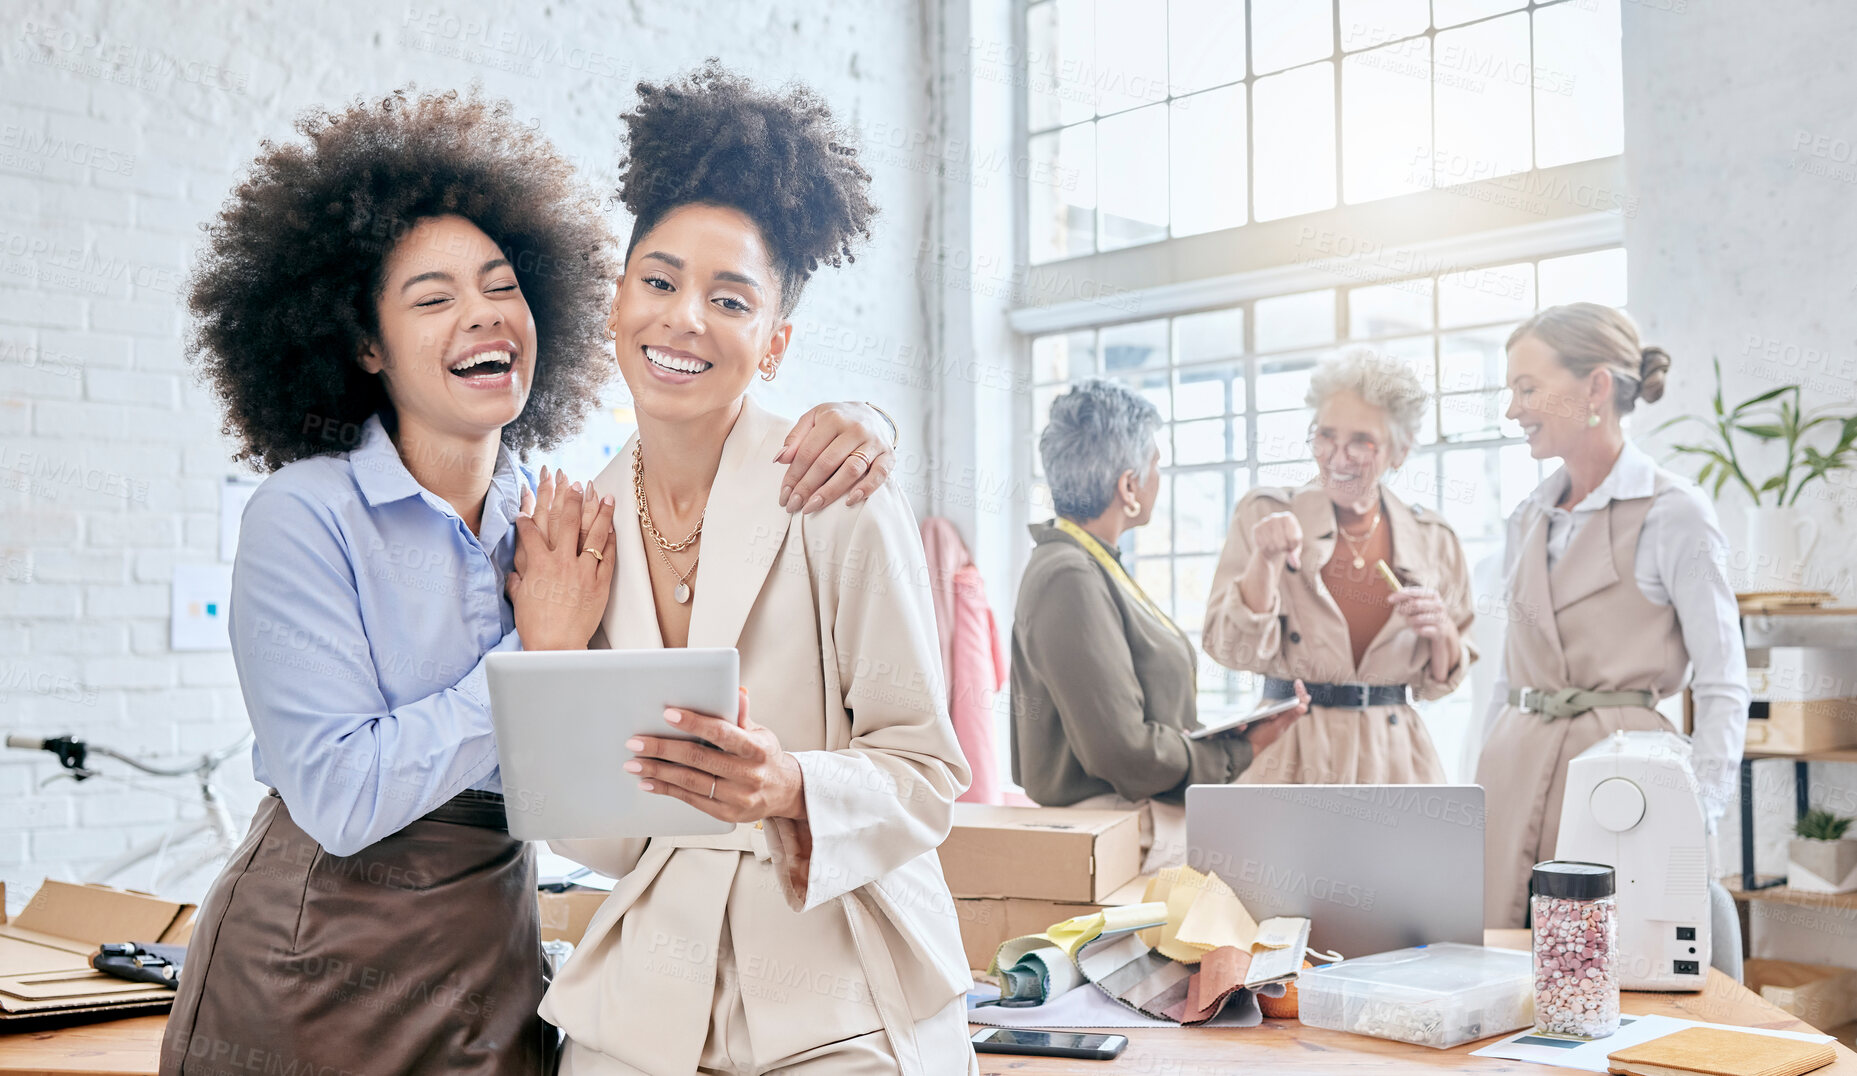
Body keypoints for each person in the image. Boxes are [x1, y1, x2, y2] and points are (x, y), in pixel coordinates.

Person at [161, 88, 902, 1076]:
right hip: (312, 967)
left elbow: (603, 772)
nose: (482, 314)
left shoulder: (563, 516)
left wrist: (867, 422)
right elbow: (340, 793)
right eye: (431, 298)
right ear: (366, 345)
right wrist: (534, 655)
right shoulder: (306, 513)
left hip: (491, 961)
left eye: (501, 285)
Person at [529, 64, 977, 1074]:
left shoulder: (838, 487)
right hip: (645, 992)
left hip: (836, 987)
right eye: (659, 280)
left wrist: (793, 785)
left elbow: (928, 773)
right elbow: (605, 846)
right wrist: (554, 660)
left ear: (773, 342)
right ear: (616, 301)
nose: (684, 317)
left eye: (728, 299)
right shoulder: (583, 522)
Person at [1476, 304, 1747, 969]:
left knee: (1616, 975)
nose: (1512, 409)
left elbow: (1721, 681)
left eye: (1527, 387)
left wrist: (1699, 811)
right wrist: (1475, 788)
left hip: (1625, 785)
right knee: (1501, 977)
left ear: (1595, 387)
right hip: (1511, 776)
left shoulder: (1672, 512)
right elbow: (1508, 681)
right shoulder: (1525, 515)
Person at [1010, 378, 1307, 873]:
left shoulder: (1091, 564)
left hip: (1136, 828)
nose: (1158, 478)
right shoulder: (1070, 575)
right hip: (1123, 836)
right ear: (1128, 486)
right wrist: (1239, 750)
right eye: (1156, 465)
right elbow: (1124, 750)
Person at [1202, 347, 1476, 786]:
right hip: (1288, 751)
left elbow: (1438, 685)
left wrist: (1442, 630)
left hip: (1396, 762)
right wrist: (1265, 561)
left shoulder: (1434, 539)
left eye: (1361, 442)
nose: (1337, 456)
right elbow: (1228, 649)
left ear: (1400, 450)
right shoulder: (1264, 513)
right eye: (1325, 435)